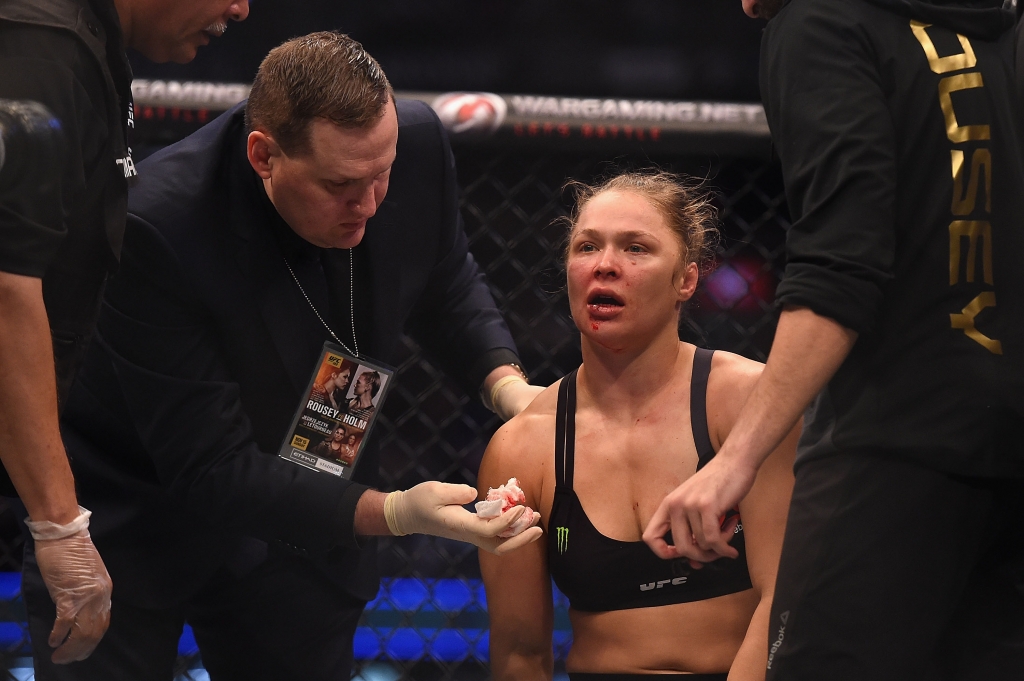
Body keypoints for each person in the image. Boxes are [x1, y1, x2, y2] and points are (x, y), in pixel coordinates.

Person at [20, 31, 543, 681]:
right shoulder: (160, 223)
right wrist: (396, 511)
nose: (371, 204)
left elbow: (443, 275)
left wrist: (510, 389)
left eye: (382, 174)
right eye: (342, 185)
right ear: (264, 156)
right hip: (139, 515)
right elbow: (210, 466)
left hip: (303, 512)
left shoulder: (415, 143)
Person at [645, 1, 1024, 679]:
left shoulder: (823, 23)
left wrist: (737, 458)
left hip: (893, 439)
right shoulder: (995, 28)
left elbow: (842, 263)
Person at [0, 0, 249, 665]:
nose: (241, 8)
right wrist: (61, 523)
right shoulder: (43, 50)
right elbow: (4, 286)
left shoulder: (78, 46)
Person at [480, 172, 797, 680]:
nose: (605, 265)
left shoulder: (744, 403)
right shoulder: (523, 447)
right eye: (587, 247)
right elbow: (520, 653)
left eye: (635, 248)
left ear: (686, 280)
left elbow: (788, 596)